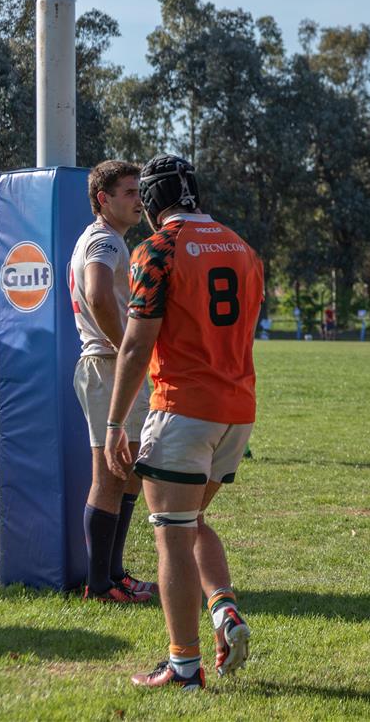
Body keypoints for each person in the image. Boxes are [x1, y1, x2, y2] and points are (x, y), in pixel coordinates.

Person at [105, 155, 265, 690]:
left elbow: (136, 344)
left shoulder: (157, 248)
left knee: (170, 537)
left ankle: (183, 666)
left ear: (152, 202)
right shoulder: (243, 248)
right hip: (237, 410)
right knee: (191, 520)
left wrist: (113, 425)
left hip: (182, 407)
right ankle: (223, 609)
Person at [69, 159, 155, 603]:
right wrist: (127, 348)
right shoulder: (103, 239)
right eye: (128, 192)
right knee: (108, 474)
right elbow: (99, 293)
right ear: (103, 200)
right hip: (106, 364)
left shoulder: (109, 238)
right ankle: (99, 585)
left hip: (108, 364)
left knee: (126, 472)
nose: (139, 199)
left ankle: (113, 575)